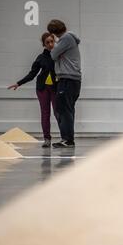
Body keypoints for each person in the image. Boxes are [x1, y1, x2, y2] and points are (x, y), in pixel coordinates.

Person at [8, 32, 57, 148]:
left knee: (58, 113)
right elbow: (32, 74)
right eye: (47, 42)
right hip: (42, 89)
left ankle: (65, 138)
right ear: (44, 44)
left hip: (56, 88)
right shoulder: (40, 58)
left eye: (52, 41)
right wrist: (19, 83)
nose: (50, 44)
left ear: (55, 42)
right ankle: (47, 139)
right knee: (45, 114)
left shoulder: (59, 56)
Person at [47, 19, 82, 148]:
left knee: (63, 110)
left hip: (68, 79)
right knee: (68, 109)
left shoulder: (65, 39)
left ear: (53, 32)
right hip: (72, 80)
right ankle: (68, 139)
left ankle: (67, 139)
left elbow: (53, 55)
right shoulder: (69, 38)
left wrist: (54, 46)